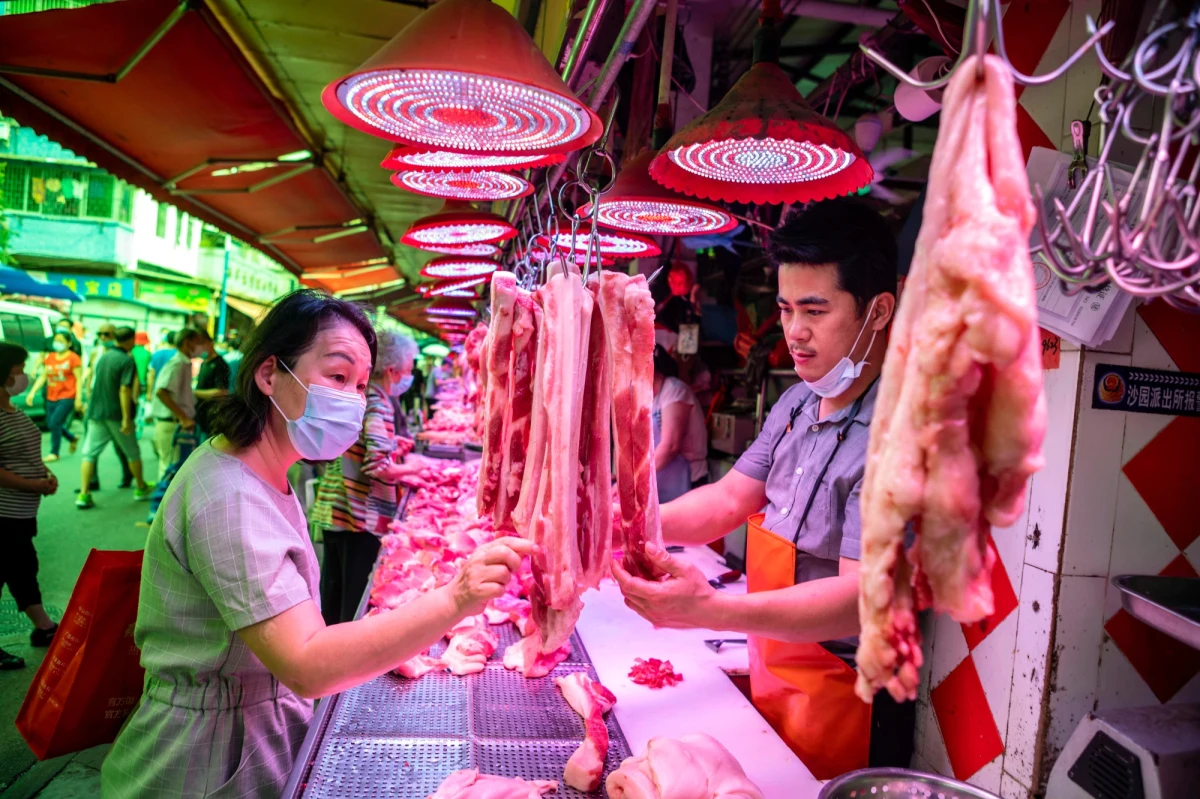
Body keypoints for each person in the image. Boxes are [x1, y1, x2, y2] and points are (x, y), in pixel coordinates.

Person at [99, 290, 533, 797]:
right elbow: (305, 662)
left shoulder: (265, 474)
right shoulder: (228, 495)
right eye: (336, 376)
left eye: (359, 384)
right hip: (206, 756)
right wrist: (454, 598)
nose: (351, 399)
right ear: (268, 375)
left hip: (254, 722)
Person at [612, 198, 910, 779]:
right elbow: (728, 500)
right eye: (786, 308)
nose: (794, 333)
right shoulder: (798, 402)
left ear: (878, 310)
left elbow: (858, 599)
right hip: (773, 666)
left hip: (851, 698)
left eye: (815, 311)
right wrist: (624, 520)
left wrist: (712, 609)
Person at [311, 330, 418, 625]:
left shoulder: (366, 397)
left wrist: (394, 445)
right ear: (393, 371)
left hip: (337, 509)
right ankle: (342, 666)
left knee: (333, 595)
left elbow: (365, 445)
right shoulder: (378, 403)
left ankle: (325, 660)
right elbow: (377, 466)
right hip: (356, 517)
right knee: (353, 602)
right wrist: (418, 471)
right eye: (409, 370)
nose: (410, 376)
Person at [0, 343, 60, 670]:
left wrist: (45, 475)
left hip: (21, 513)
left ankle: (43, 627)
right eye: (19, 369)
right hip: (4, 512)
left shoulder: (15, 409)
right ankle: (44, 627)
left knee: (22, 566)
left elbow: (25, 455)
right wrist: (32, 484)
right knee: (16, 567)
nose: (25, 375)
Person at [77, 327, 151, 508]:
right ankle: (140, 487)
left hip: (96, 412)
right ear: (131, 340)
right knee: (132, 451)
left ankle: (83, 494)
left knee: (89, 453)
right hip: (116, 414)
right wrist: (126, 417)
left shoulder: (103, 357)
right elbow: (124, 389)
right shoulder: (127, 360)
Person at [81, 323, 136, 490]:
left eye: (106, 334)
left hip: (109, 408)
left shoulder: (123, 357)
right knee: (93, 450)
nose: (103, 337)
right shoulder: (98, 353)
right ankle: (91, 483)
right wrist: (86, 395)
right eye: (100, 334)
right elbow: (91, 374)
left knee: (120, 448)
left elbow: (128, 386)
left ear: (114, 336)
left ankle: (128, 476)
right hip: (102, 407)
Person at [651, 345, 708, 502]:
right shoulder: (651, 396)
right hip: (663, 482)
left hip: (689, 482)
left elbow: (670, 447)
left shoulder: (675, 391)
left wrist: (636, 480)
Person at [150, 328, 200, 481]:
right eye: (198, 343)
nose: (200, 347)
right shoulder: (177, 363)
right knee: (170, 470)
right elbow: (161, 391)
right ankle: (162, 504)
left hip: (177, 423)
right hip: (172, 424)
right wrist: (183, 417)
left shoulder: (184, 363)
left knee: (176, 468)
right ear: (187, 343)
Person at [26, 330, 83, 461]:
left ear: (69, 343)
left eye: (61, 341)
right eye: (56, 340)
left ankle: (54, 452)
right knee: (51, 423)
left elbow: (79, 379)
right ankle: (72, 438)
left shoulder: (73, 358)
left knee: (56, 422)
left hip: (67, 396)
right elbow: (44, 375)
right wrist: (32, 392)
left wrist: (78, 398)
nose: (57, 343)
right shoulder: (50, 357)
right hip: (52, 395)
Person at [193, 329, 230, 438]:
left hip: (211, 419)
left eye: (201, 344)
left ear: (210, 343)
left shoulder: (220, 364)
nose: (199, 348)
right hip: (200, 417)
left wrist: (194, 392)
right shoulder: (204, 362)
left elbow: (221, 392)